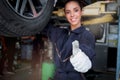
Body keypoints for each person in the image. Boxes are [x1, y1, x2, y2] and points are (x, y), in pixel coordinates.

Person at [42, 0, 95, 80]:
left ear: (81, 12)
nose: (72, 15)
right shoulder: (60, 33)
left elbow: (88, 51)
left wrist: (81, 58)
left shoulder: (87, 35)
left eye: (76, 10)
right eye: (68, 12)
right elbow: (43, 26)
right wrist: (48, 7)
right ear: (65, 14)